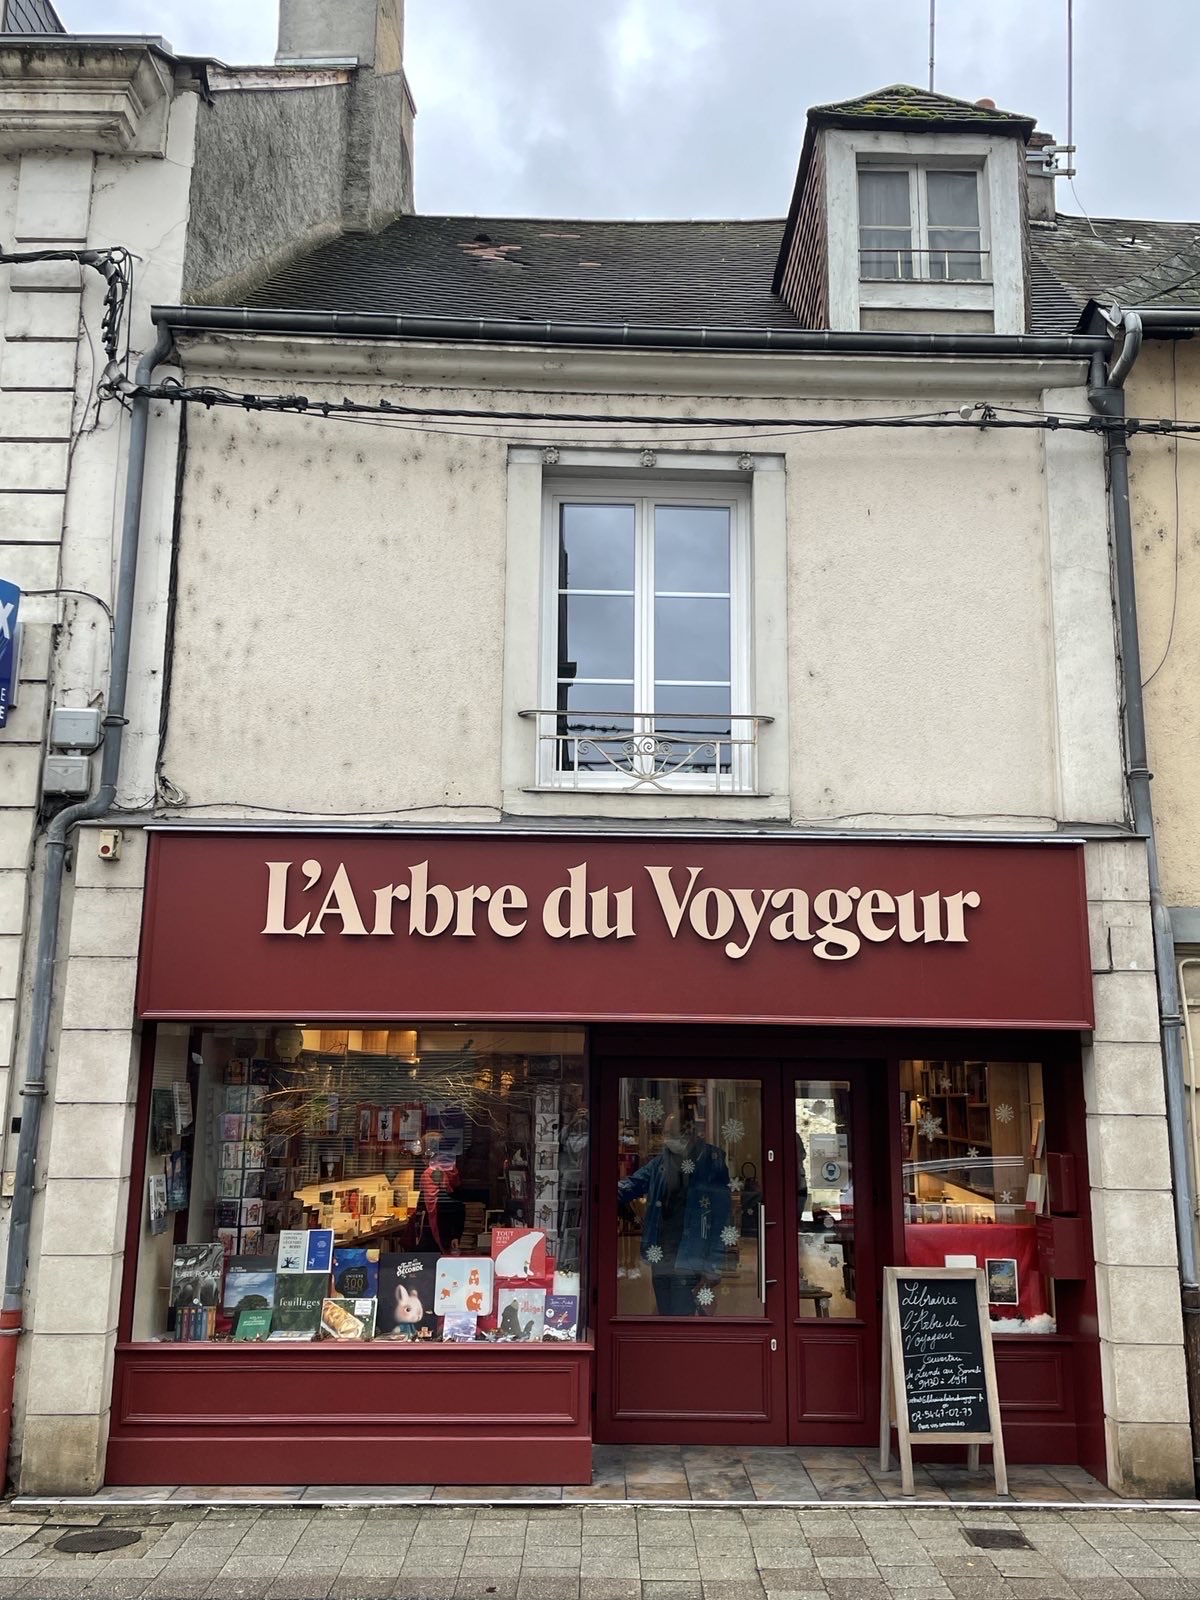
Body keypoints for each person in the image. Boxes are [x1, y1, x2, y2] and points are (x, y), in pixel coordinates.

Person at [618, 1112, 731, 1315]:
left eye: (672, 1133)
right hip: (661, 1254)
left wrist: (714, 1263)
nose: (667, 1138)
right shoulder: (661, 1163)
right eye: (666, 1133)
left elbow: (721, 1216)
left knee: (681, 1314)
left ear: (689, 1133)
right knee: (665, 1313)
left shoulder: (711, 1162)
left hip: (691, 1254)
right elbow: (633, 1185)